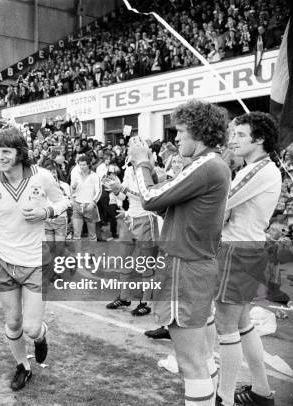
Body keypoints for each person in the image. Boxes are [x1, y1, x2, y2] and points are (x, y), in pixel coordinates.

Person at [125, 100, 230, 406]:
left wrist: (141, 161)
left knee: (190, 362)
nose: (176, 138)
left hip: (184, 267)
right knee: (202, 356)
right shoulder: (212, 164)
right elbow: (167, 197)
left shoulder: (206, 164)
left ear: (198, 131)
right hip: (195, 265)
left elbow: (150, 198)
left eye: (181, 131)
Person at [0, 127, 69, 391]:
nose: (0, 157)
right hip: (4, 261)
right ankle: (22, 367)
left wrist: (45, 212)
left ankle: (42, 335)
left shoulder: (42, 176)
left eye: (6, 151)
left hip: (36, 262)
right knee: (13, 322)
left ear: (20, 153)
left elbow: (64, 201)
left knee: (31, 327)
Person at [214, 113, 280, 406]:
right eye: (233, 134)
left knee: (225, 326)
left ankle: (224, 399)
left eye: (241, 134)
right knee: (242, 322)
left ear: (260, 139)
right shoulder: (254, 168)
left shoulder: (259, 169)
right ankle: (262, 392)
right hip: (247, 247)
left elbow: (220, 205)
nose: (233, 140)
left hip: (237, 249)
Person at [104, 161, 160, 316]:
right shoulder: (128, 170)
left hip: (146, 218)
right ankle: (124, 297)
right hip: (130, 217)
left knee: (146, 264)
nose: (130, 152)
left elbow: (145, 197)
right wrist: (115, 190)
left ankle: (146, 302)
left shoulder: (150, 170)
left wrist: (121, 188)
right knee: (125, 261)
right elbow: (124, 196)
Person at [70, 155, 101, 241]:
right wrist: (73, 188)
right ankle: (78, 254)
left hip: (89, 205)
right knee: (76, 235)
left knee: (92, 235)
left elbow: (99, 191)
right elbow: (71, 192)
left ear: (88, 164)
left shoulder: (94, 176)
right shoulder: (76, 175)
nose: (82, 167)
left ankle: (92, 254)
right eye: (80, 165)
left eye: (84, 165)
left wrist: (93, 203)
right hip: (77, 205)